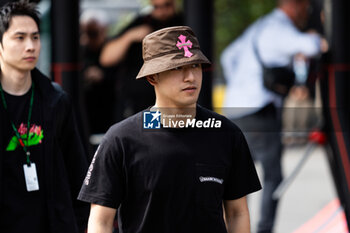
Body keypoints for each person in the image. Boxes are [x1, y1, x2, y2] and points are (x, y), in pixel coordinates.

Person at [78, 26, 261, 233]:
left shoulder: (226, 134)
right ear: (152, 77)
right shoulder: (121, 139)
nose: (190, 76)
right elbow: (100, 220)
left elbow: (238, 212)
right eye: (177, 68)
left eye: (195, 65)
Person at [221, 0, 328, 232]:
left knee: (240, 177)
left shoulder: (259, 26)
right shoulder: (278, 28)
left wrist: (241, 84)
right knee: (273, 176)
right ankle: (263, 229)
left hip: (235, 109)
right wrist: (317, 39)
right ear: (294, 5)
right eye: (305, 8)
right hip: (258, 111)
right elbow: (311, 46)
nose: (306, 13)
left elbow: (227, 57)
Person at [0, 1, 89, 233]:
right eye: (20, 38)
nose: (30, 46)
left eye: (35, 37)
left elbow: (77, 172)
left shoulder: (55, 100)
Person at [99, 0, 183, 120]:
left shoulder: (184, 23)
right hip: (139, 101)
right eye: (156, 7)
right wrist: (130, 37)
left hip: (173, 99)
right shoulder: (141, 23)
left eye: (167, 5)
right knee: (144, 135)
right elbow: (106, 58)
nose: (162, 11)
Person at [80, 10, 116, 135]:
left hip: (109, 113)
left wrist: (102, 76)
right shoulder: (79, 51)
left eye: (92, 34)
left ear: (104, 30)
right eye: (82, 33)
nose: (85, 39)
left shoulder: (113, 49)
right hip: (85, 114)